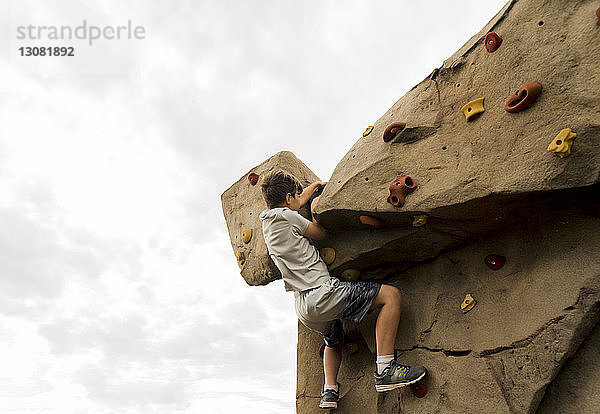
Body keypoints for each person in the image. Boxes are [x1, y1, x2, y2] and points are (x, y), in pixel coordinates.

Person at [259, 170, 426, 409]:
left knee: (333, 339)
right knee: (391, 296)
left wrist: (313, 186)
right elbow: (320, 233)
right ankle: (386, 368)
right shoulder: (288, 216)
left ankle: (329, 390)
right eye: (296, 195)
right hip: (322, 293)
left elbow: (296, 202)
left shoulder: (268, 221)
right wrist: (315, 212)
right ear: (287, 199)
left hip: (304, 308)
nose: (300, 198)